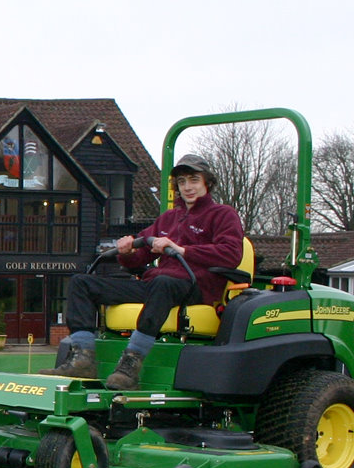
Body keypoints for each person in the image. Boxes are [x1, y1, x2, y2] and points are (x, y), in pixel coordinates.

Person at [39, 153, 245, 390]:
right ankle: (83, 358)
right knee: (81, 282)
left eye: (194, 180)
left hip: (194, 286)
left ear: (206, 182)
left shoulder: (222, 214)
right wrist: (126, 251)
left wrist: (182, 249)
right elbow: (140, 255)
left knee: (163, 282)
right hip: (158, 286)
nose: (187, 187)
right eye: (182, 182)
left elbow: (231, 254)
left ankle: (130, 364)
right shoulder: (169, 218)